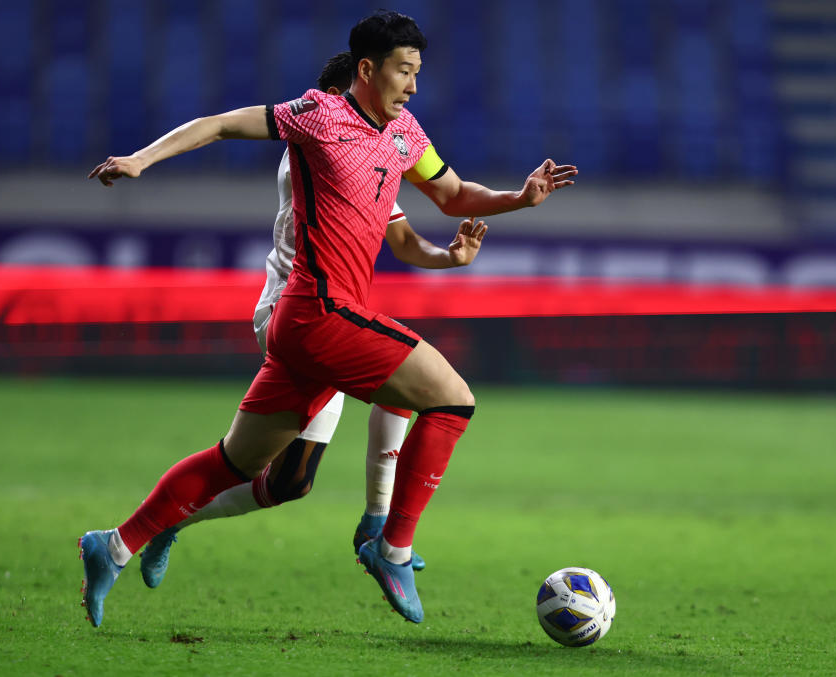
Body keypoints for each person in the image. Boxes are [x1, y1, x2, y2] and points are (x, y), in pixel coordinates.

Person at [81, 9, 577, 626]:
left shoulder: (404, 136)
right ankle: (388, 543)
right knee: (450, 399)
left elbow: (450, 195)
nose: (414, 85)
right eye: (404, 71)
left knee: (237, 465)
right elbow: (217, 125)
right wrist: (139, 159)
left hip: (314, 322)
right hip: (319, 310)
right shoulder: (318, 118)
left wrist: (517, 199)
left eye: (418, 72)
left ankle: (113, 545)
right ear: (367, 69)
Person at [137, 51, 488, 588]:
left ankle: (375, 525)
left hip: (333, 310)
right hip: (294, 311)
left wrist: (449, 258)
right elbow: (223, 126)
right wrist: (141, 159)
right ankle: (378, 529)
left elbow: (403, 236)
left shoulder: (363, 145)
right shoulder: (325, 145)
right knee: (410, 389)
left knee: (291, 481)